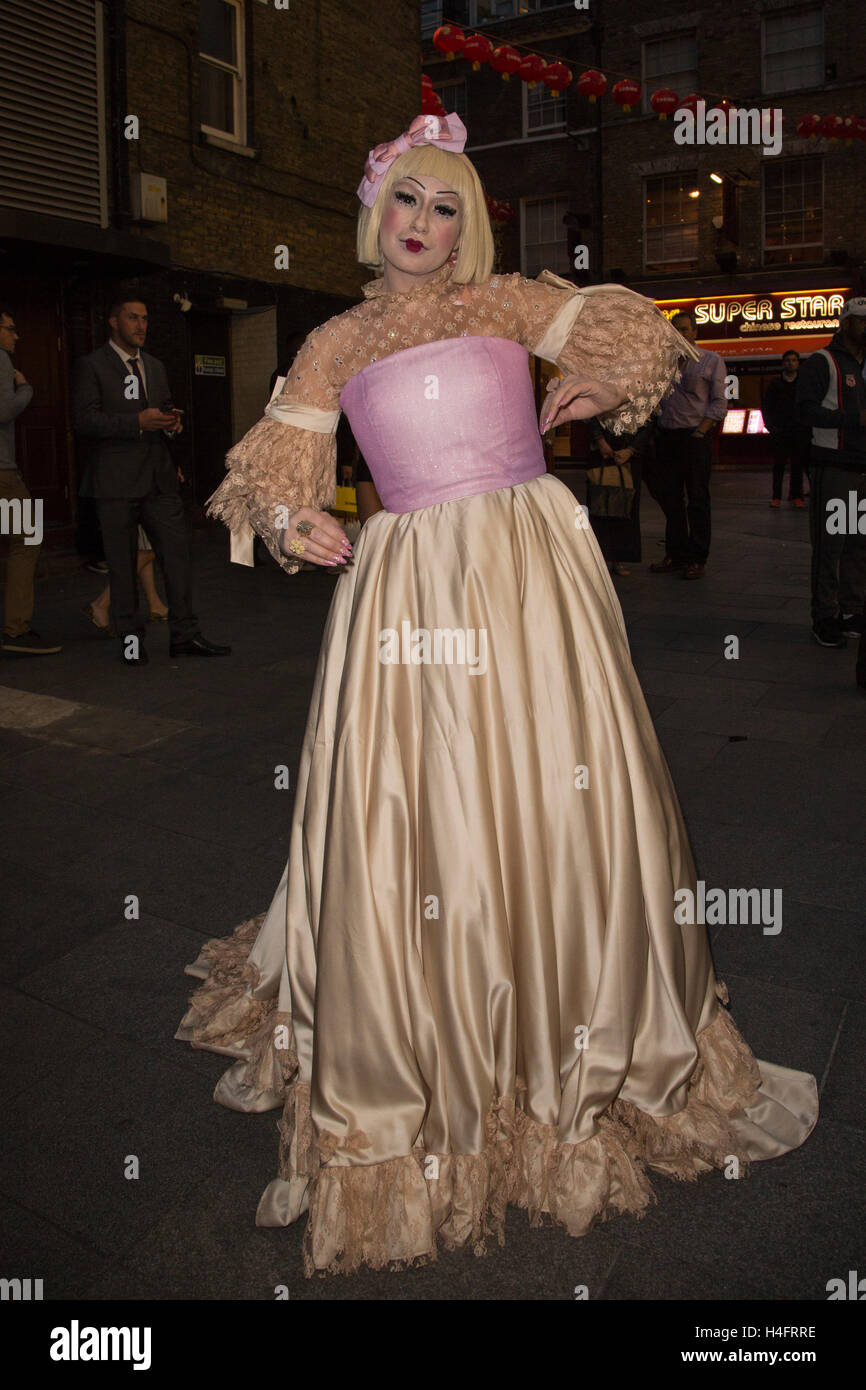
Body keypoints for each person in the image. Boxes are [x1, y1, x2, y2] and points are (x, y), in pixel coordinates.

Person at [176, 115, 817, 1278]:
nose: (424, 225)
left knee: (558, 785)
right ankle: (421, 1041)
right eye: (407, 202)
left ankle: (580, 1015)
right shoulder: (334, 340)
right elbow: (264, 473)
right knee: (422, 803)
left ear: (467, 225)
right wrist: (294, 518)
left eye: (447, 207)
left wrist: (586, 385)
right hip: (409, 576)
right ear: (378, 215)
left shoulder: (505, 303)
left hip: (531, 564)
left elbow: (640, 338)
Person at [73, 294, 230, 666]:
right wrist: (136, 422)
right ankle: (131, 643)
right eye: (132, 318)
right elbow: (85, 422)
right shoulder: (92, 366)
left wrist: (170, 424)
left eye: (144, 318)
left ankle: (185, 636)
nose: (141, 325)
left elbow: (163, 412)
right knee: (123, 565)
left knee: (177, 558)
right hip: (114, 483)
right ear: (114, 322)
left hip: (159, 479)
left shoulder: (156, 366)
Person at [796, 297, 866, 648]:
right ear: (845, 323)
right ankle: (825, 615)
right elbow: (805, 412)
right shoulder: (823, 362)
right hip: (833, 464)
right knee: (830, 545)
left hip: (860, 468)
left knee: (858, 542)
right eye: (861, 320)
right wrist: (853, 420)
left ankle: (853, 610)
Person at [0, 309, 61, 656]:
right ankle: (15, 629)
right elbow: (4, 410)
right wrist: (26, 388)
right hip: (2, 472)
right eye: (10, 329)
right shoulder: (2, 360)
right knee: (27, 537)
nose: (16, 336)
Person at [650, 311, 727, 580]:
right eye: (676, 330)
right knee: (671, 500)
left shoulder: (711, 360)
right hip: (668, 436)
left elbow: (719, 402)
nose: (680, 334)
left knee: (697, 499)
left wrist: (701, 431)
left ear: (694, 332)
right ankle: (676, 554)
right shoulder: (665, 363)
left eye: (684, 329)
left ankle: (697, 558)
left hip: (694, 437)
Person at [587, 417, 652, 575]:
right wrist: (600, 441)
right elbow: (591, 414)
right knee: (599, 504)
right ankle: (597, 557)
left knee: (625, 504)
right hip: (602, 449)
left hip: (628, 448)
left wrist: (631, 450)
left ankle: (619, 558)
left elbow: (648, 419)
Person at [762, 350, 807, 507]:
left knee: (797, 465)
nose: (790, 363)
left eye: (794, 360)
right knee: (779, 465)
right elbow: (766, 406)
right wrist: (770, 426)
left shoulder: (803, 383)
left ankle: (796, 496)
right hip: (780, 430)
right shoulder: (775, 383)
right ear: (783, 363)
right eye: (788, 360)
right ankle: (776, 497)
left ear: (798, 363)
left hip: (798, 430)